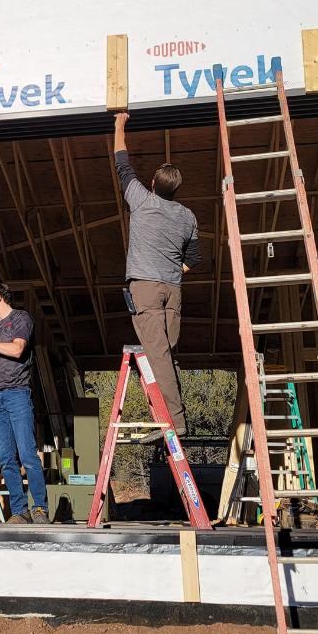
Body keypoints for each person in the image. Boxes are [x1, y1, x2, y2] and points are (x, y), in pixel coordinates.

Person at [112, 111, 200, 436]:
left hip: (146, 289)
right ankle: (168, 417)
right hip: (173, 290)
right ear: (176, 190)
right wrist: (172, 271)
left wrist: (119, 125)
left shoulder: (141, 201)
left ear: (152, 183)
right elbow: (194, 258)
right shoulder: (187, 217)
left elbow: (122, 165)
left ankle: (173, 422)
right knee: (167, 355)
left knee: (158, 355)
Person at [0, 283, 49, 525]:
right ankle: (20, 511)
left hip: (17, 394)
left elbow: (16, 350)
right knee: (5, 457)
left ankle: (40, 509)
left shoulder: (21, 318)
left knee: (27, 454)